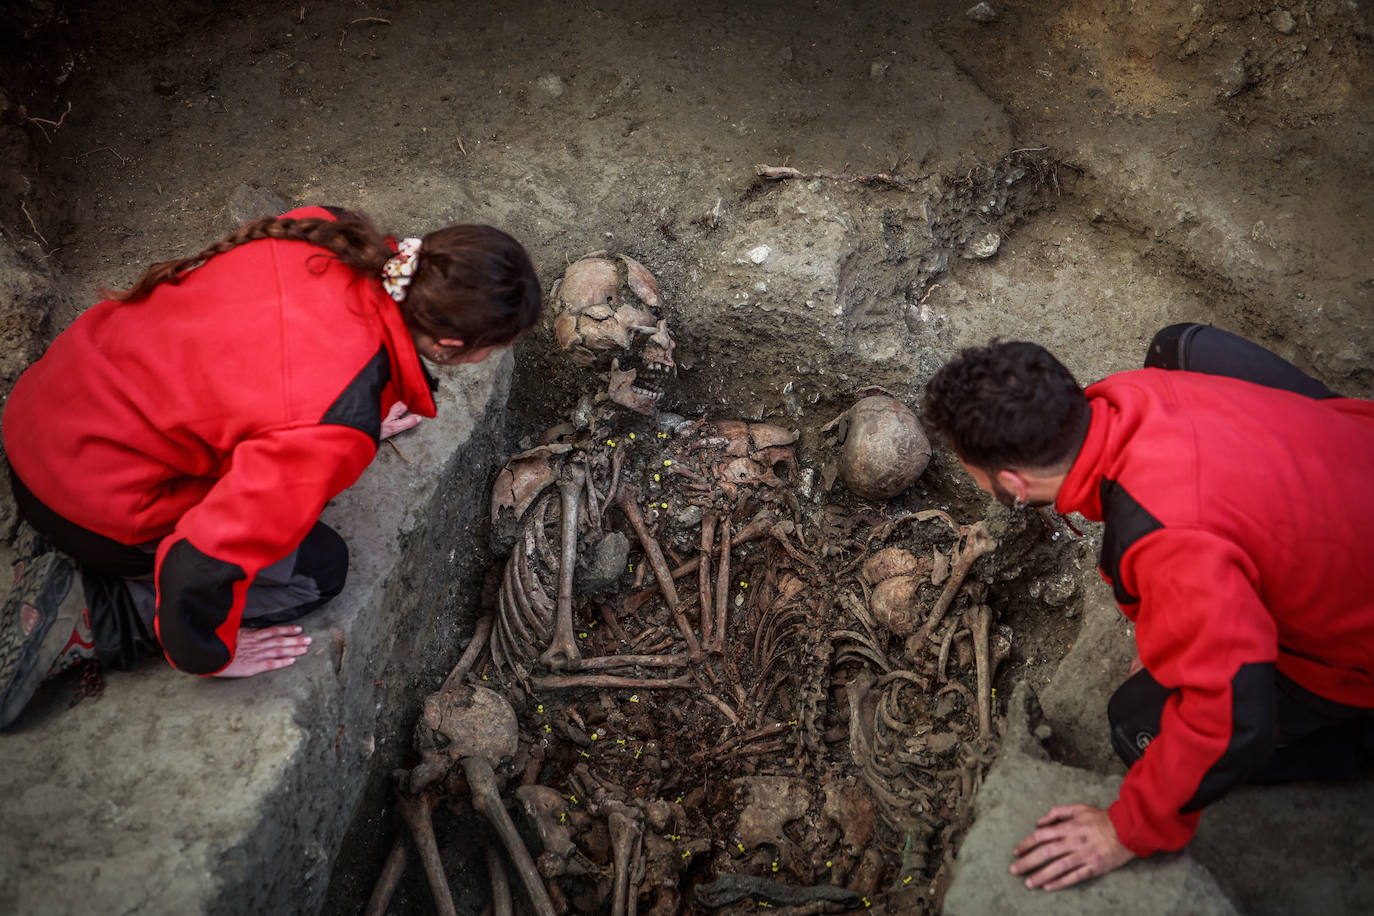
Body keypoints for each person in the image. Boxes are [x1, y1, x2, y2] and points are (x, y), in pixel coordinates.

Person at [0, 205, 541, 728]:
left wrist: (363, 402)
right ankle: (101, 612)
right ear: (449, 345)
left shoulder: (326, 230)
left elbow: (267, 366)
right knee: (319, 569)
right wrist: (206, 649)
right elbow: (200, 561)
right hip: (83, 504)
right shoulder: (334, 425)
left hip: (42, 413)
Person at [922, 324, 1374, 891]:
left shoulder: (1169, 542)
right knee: (1182, 341)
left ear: (1013, 483)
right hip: (1353, 467)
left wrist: (1127, 829)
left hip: (1356, 644)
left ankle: (1354, 744)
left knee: (1140, 723)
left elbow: (1234, 718)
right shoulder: (1149, 384)